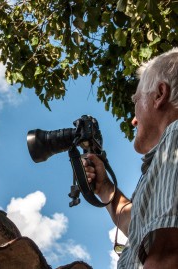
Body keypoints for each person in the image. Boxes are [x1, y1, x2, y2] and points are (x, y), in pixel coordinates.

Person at [83, 48, 178, 268]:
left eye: (136, 101)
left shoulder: (174, 137)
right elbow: (139, 223)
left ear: (159, 95)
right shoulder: (165, 164)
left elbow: (168, 254)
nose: (134, 121)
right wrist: (104, 187)